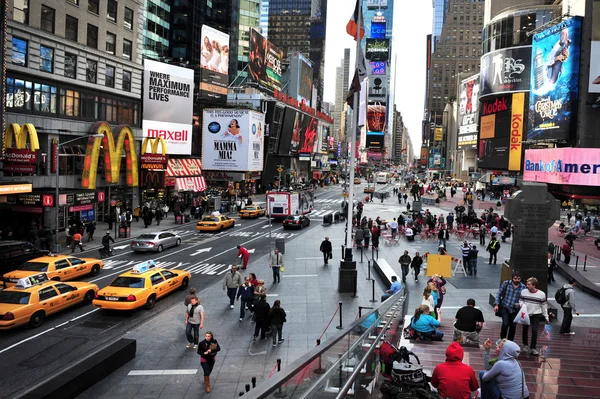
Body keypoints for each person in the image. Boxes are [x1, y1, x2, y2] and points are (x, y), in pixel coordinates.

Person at [519, 277, 549, 356]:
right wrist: (522, 305)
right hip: (526, 314)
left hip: (536, 314)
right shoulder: (523, 292)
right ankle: (525, 345)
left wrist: (546, 317)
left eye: (529, 284)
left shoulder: (541, 294)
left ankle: (533, 347)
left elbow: (544, 306)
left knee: (534, 330)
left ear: (534, 285)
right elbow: (521, 300)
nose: (527, 286)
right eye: (527, 284)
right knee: (525, 330)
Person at [493, 271, 526, 341]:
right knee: (505, 324)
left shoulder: (523, 287)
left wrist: (520, 305)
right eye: (515, 278)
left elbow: (523, 298)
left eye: (518, 279)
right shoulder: (506, 283)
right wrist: (496, 304)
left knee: (513, 327)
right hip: (505, 307)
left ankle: (510, 342)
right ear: (512, 278)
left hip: (515, 310)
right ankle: (502, 339)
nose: (517, 280)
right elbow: (499, 294)